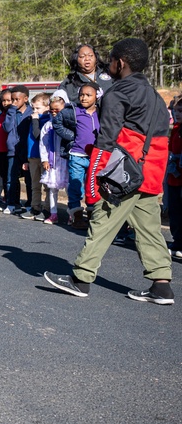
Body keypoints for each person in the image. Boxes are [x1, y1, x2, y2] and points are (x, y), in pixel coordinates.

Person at [44, 38, 174, 305]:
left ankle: (80, 279)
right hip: (151, 168)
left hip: (122, 171)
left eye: (111, 59)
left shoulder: (117, 92)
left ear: (121, 63)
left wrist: (95, 178)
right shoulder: (155, 96)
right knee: (148, 227)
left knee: (102, 220)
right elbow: (163, 134)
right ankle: (161, 286)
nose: (108, 64)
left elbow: (107, 138)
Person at [56, 81, 100, 230]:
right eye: (81, 95)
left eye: (88, 95)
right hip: (77, 155)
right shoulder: (73, 111)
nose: (84, 98)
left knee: (93, 187)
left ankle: (93, 215)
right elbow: (57, 123)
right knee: (75, 186)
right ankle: (77, 217)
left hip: (95, 157)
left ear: (97, 97)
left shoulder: (102, 112)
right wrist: (71, 136)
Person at [19, 92, 51, 220]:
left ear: (47, 107)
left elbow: (38, 135)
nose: (34, 111)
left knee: (47, 185)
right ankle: (35, 207)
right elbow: (29, 139)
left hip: (44, 158)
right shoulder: (33, 120)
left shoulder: (46, 120)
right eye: (33, 108)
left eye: (38, 108)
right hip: (32, 156)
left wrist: (36, 120)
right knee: (35, 184)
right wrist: (26, 158)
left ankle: (48, 209)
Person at [39, 93, 69, 224]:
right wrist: (44, 159)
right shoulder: (48, 125)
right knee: (52, 188)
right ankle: (53, 213)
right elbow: (43, 143)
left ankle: (73, 213)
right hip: (53, 161)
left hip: (66, 160)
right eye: (52, 110)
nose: (54, 112)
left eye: (57, 110)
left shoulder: (69, 124)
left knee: (70, 188)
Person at [3, 85, 31, 215]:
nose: (13, 102)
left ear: (25, 99)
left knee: (29, 179)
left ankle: (31, 204)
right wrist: (11, 111)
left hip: (28, 150)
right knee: (11, 178)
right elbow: (7, 128)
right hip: (13, 149)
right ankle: (12, 203)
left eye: (17, 100)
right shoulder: (11, 112)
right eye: (12, 99)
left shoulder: (31, 112)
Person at [166, 94, 182, 259]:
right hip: (173, 178)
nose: (177, 114)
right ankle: (177, 242)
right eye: (175, 110)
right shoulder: (175, 129)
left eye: (181, 111)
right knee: (175, 212)